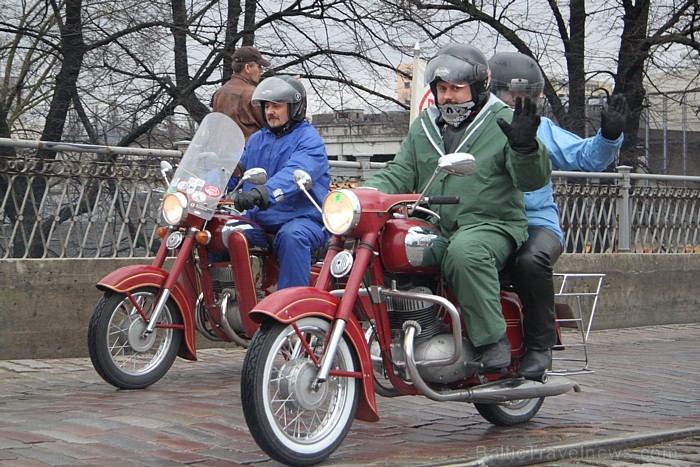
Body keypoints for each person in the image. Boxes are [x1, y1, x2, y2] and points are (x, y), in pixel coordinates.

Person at [364, 44, 552, 370]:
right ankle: (403, 331)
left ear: (478, 87)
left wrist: (526, 148)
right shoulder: (424, 126)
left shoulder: (504, 121)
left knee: (466, 252)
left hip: (491, 223)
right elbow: (399, 172)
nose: (448, 96)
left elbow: (531, 180)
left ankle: (492, 341)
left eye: (456, 89)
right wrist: (362, 196)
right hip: (436, 224)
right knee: (388, 249)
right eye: (442, 89)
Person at [488, 51, 628, 379]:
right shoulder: (471, 128)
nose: (518, 102)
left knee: (529, 260)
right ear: (491, 91)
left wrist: (608, 136)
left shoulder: (542, 129)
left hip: (535, 222)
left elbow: (586, 157)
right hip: (487, 221)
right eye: (510, 94)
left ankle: (540, 346)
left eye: (527, 95)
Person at [230, 75, 330, 290]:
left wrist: (262, 193)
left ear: (294, 107)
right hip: (260, 219)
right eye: (266, 106)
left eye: (277, 105)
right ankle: (222, 300)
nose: (269, 111)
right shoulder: (257, 140)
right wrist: (209, 183)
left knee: (292, 237)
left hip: (304, 218)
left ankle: (293, 310)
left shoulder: (309, 140)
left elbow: (294, 172)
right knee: (220, 232)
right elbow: (237, 170)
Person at [211, 46, 271, 140]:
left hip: (222, 151)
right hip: (250, 150)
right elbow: (270, 125)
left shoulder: (219, 93)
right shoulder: (253, 94)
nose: (261, 70)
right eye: (259, 66)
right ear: (247, 68)